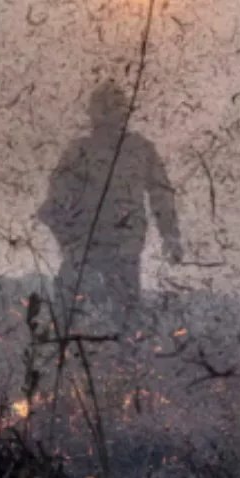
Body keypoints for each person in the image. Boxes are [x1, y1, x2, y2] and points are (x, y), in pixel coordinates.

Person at [37, 81, 181, 334]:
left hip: (122, 247)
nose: (113, 117)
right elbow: (53, 205)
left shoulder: (141, 150)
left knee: (125, 316)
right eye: (107, 109)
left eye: (118, 109)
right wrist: (68, 240)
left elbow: (161, 193)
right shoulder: (79, 150)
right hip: (84, 247)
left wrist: (170, 234)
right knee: (68, 319)